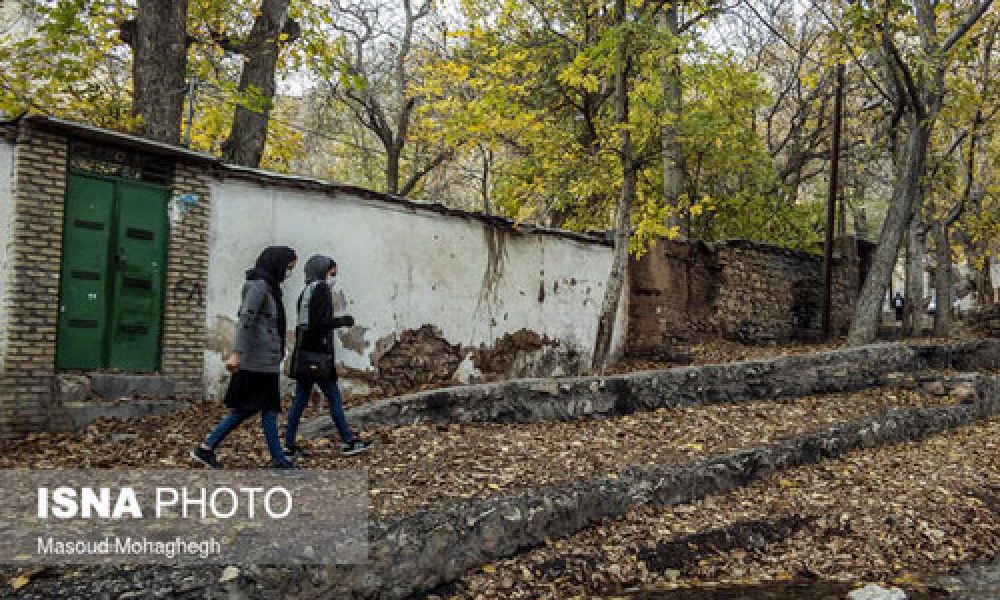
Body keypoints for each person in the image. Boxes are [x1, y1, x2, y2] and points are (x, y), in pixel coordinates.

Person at [191, 246, 298, 469]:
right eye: (288, 267)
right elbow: (245, 320)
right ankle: (208, 448)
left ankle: (208, 447)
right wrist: (236, 353)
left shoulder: (270, 288)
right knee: (253, 409)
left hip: (266, 360)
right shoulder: (259, 287)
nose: (288, 273)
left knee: (260, 409)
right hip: (257, 361)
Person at [284, 255, 372, 458]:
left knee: (300, 400)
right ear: (322, 271)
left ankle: (289, 444)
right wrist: (342, 321)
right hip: (319, 354)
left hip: (305, 353)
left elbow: (305, 325)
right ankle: (349, 441)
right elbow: (319, 323)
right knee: (334, 397)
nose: (333, 277)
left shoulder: (305, 292)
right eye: (332, 273)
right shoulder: (321, 290)